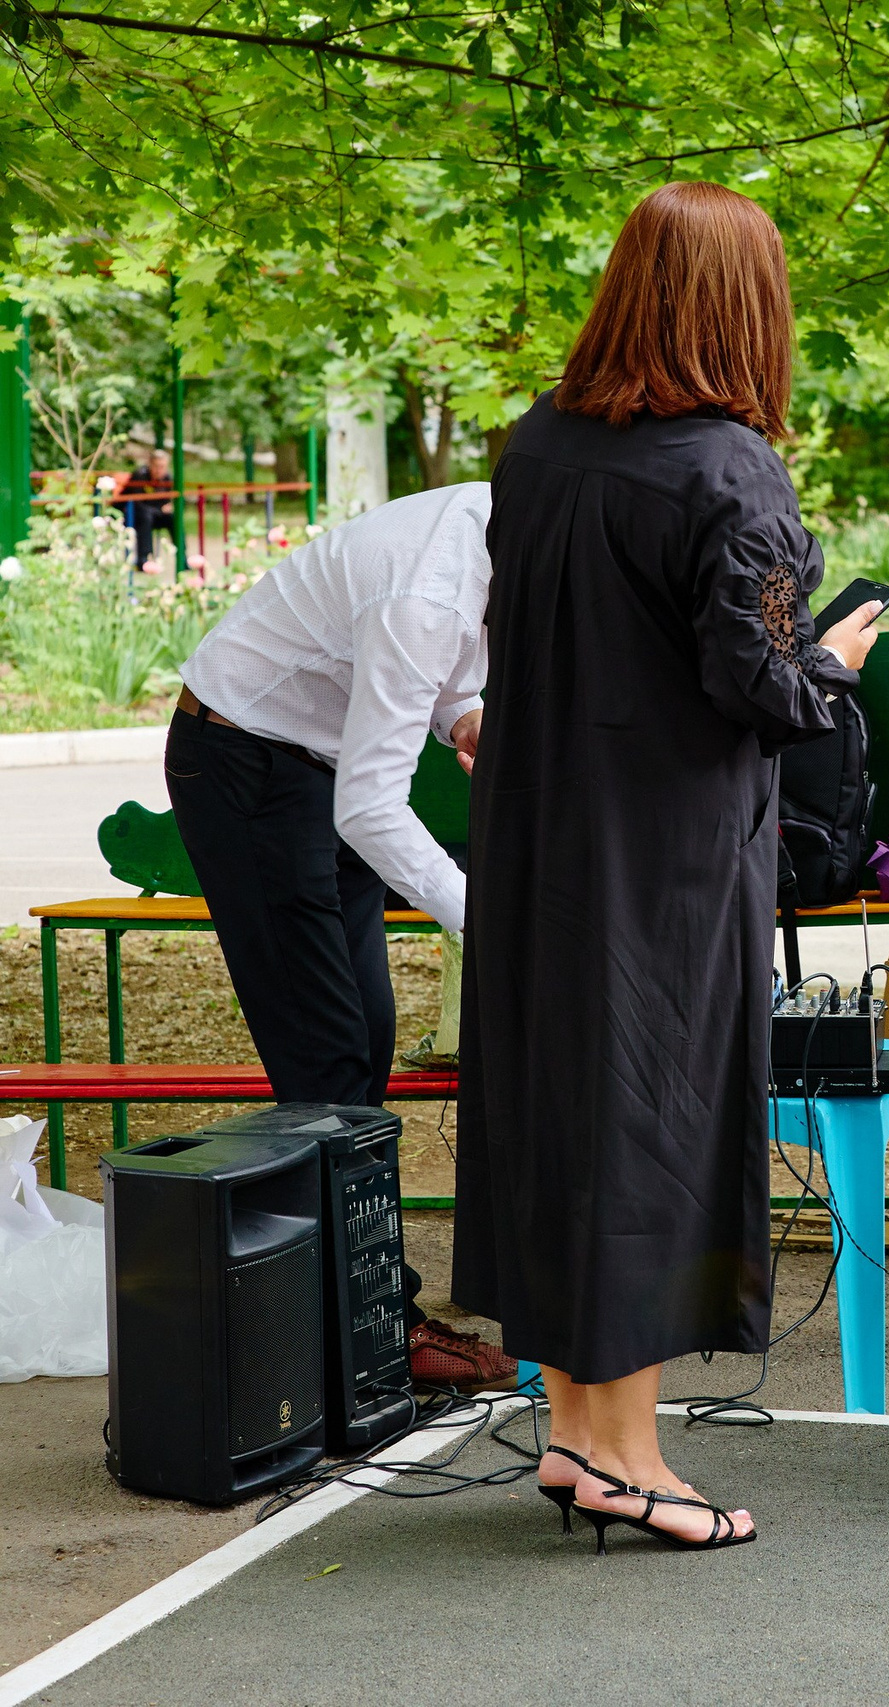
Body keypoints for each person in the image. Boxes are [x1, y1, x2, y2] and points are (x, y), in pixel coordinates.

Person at [452, 182, 885, 1552]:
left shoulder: (536, 450)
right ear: (746, 307)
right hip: (664, 869)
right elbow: (758, 682)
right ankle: (633, 1453)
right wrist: (833, 660)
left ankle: (581, 1435)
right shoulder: (729, 468)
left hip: (538, 855)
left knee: (568, 1125)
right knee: (644, 1130)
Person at [165, 479, 514, 1390]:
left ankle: (367, 1317)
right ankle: (356, 1337)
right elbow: (372, 806)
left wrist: (460, 712)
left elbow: (439, 665)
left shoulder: (506, 525)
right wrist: (496, 923)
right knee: (324, 1063)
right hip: (242, 758)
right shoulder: (429, 591)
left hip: (314, 759)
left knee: (363, 1042)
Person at [121, 447, 174, 568]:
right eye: (156, 466)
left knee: (173, 517)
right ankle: (144, 560)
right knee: (145, 516)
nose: (159, 470)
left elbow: (167, 501)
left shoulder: (167, 478)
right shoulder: (139, 475)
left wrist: (167, 507)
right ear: (150, 464)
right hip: (131, 515)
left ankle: (183, 557)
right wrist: (159, 508)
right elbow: (138, 503)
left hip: (154, 514)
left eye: (162, 467)